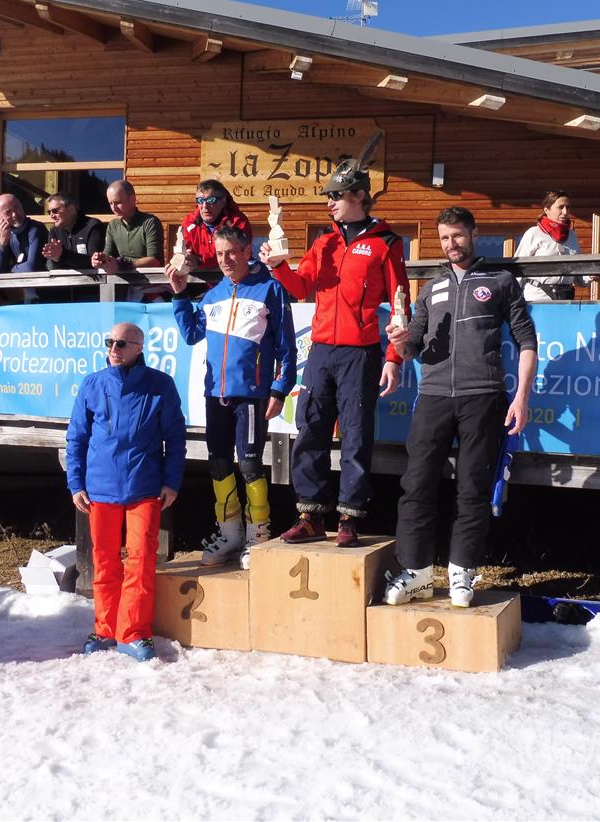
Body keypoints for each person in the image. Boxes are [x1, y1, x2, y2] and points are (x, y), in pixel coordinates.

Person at [383, 206, 538, 608]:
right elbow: (413, 346)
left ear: (473, 234)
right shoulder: (429, 289)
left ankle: (461, 571)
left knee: (472, 487)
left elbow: (526, 341)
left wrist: (521, 397)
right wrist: (400, 341)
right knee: (416, 484)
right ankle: (416, 573)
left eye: (457, 235)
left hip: (483, 396)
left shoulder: (500, 281)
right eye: (444, 238)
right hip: (433, 396)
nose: (451, 244)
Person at [259, 143, 410, 547]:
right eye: (328, 196)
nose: (329, 203)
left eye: (336, 196)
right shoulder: (324, 243)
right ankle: (310, 515)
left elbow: (400, 303)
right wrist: (278, 266)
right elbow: (300, 287)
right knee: (310, 428)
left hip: (361, 351)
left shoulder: (386, 242)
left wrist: (394, 357)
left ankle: (349, 517)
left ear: (359, 195)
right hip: (321, 350)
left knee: (356, 435)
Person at [167, 225, 296, 569]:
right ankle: (230, 532)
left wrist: (280, 388)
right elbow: (192, 334)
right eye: (219, 254)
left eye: (231, 253)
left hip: (251, 394)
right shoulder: (213, 296)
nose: (225, 260)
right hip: (216, 393)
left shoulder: (269, 289)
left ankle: (258, 533)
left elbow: (286, 346)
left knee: (250, 464)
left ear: (246, 252)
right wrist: (180, 294)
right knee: (219, 463)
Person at [65, 322, 186, 662]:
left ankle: (133, 632)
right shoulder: (92, 384)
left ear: (138, 348)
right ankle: (105, 628)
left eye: (121, 344)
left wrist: (171, 481)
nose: (113, 349)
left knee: (141, 559)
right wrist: (76, 483)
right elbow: (76, 437)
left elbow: (175, 438)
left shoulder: (160, 385)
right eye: (109, 342)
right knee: (104, 561)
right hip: (99, 489)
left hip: (144, 487)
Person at [515, 190, 597, 301]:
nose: (565, 212)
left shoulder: (572, 236)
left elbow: (578, 277)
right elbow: (518, 269)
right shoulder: (534, 233)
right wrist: (513, 301)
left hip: (565, 300)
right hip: (537, 299)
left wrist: (590, 276)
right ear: (547, 210)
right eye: (560, 207)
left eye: (568, 207)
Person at [178, 180, 252, 270]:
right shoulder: (190, 223)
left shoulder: (237, 222)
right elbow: (182, 251)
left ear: (223, 201)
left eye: (211, 200)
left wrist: (199, 261)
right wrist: (186, 259)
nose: (205, 206)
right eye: (200, 200)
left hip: (232, 274)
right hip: (198, 277)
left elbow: (240, 254)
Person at [91, 180, 162, 273]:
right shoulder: (113, 225)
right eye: (110, 203)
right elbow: (108, 254)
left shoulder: (150, 222)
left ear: (132, 200)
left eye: (118, 202)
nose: (114, 208)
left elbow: (155, 261)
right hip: (121, 279)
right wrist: (100, 260)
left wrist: (123, 265)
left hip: (150, 279)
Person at [0, 193, 47, 303]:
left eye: (17, 207)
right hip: (20, 293)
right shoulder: (6, 233)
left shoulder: (35, 228)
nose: (15, 214)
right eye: (8, 212)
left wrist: (10, 271)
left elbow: (31, 266)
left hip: (43, 292)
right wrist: (3, 241)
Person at [42, 191, 105, 270]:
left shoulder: (92, 226)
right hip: (62, 277)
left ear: (71, 209)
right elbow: (51, 265)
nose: (51, 216)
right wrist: (55, 259)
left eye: (55, 211)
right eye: (49, 212)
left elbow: (95, 262)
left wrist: (62, 255)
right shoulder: (54, 231)